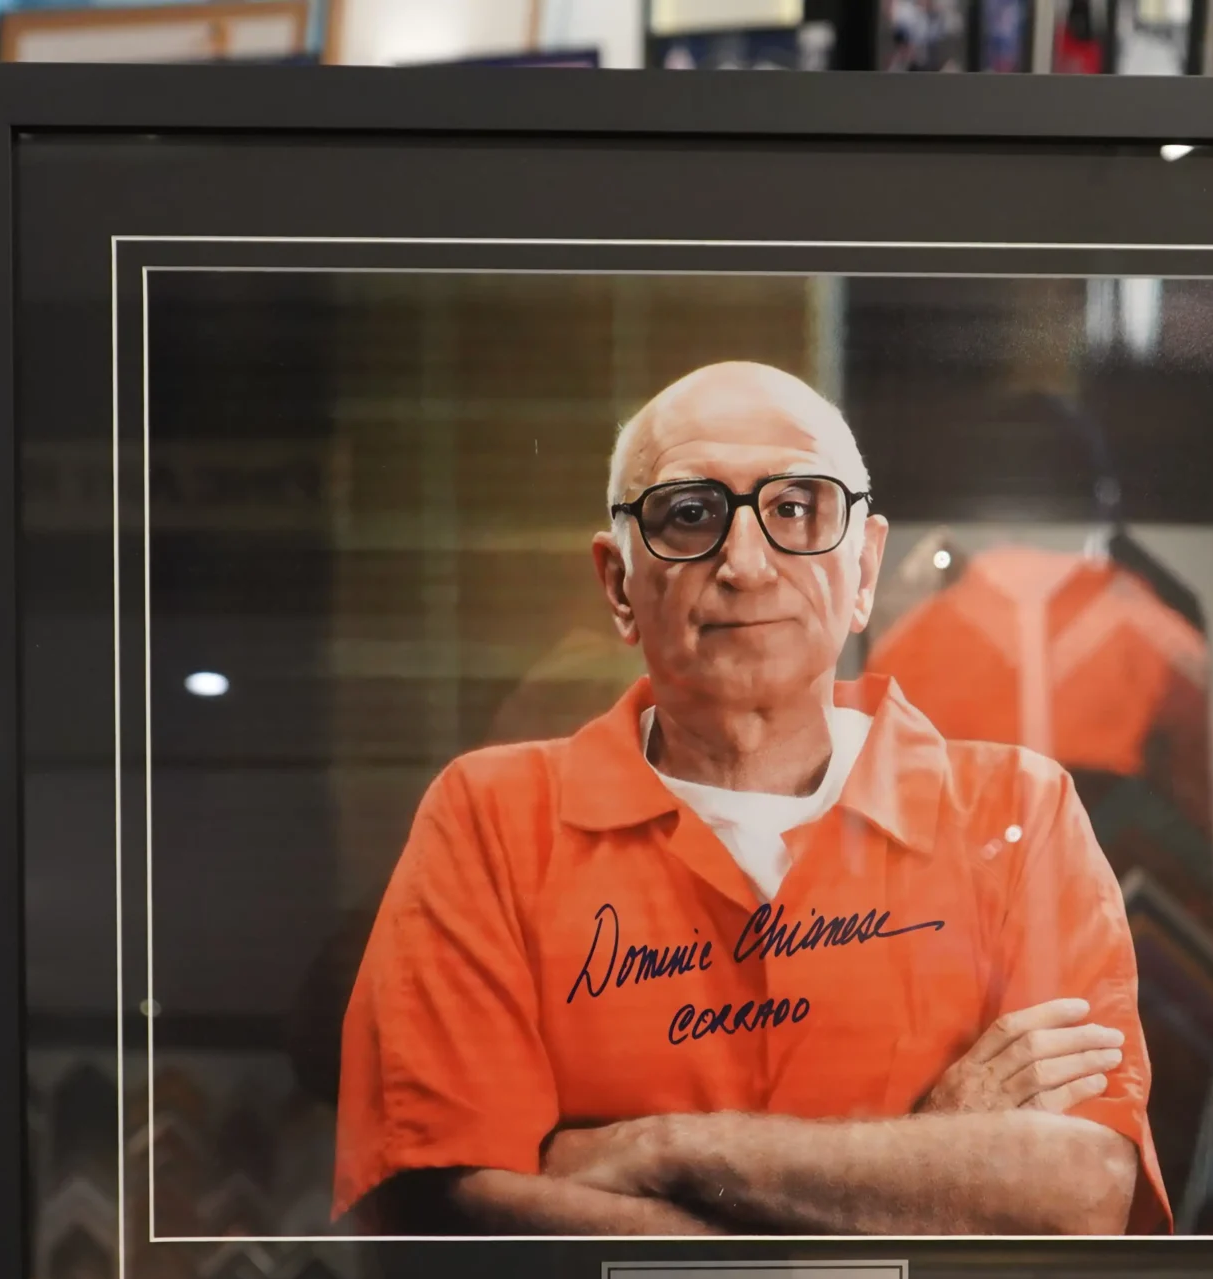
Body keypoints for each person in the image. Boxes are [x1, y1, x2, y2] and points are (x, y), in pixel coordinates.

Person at [332, 361, 1169, 1235]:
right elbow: (455, 1204)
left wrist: (666, 1149)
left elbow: (1082, 1191)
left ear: (864, 568)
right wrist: (931, 1157)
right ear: (619, 584)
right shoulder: (490, 820)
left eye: (796, 508)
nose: (745, 562)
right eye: (691, 515)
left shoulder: (1022, 811)